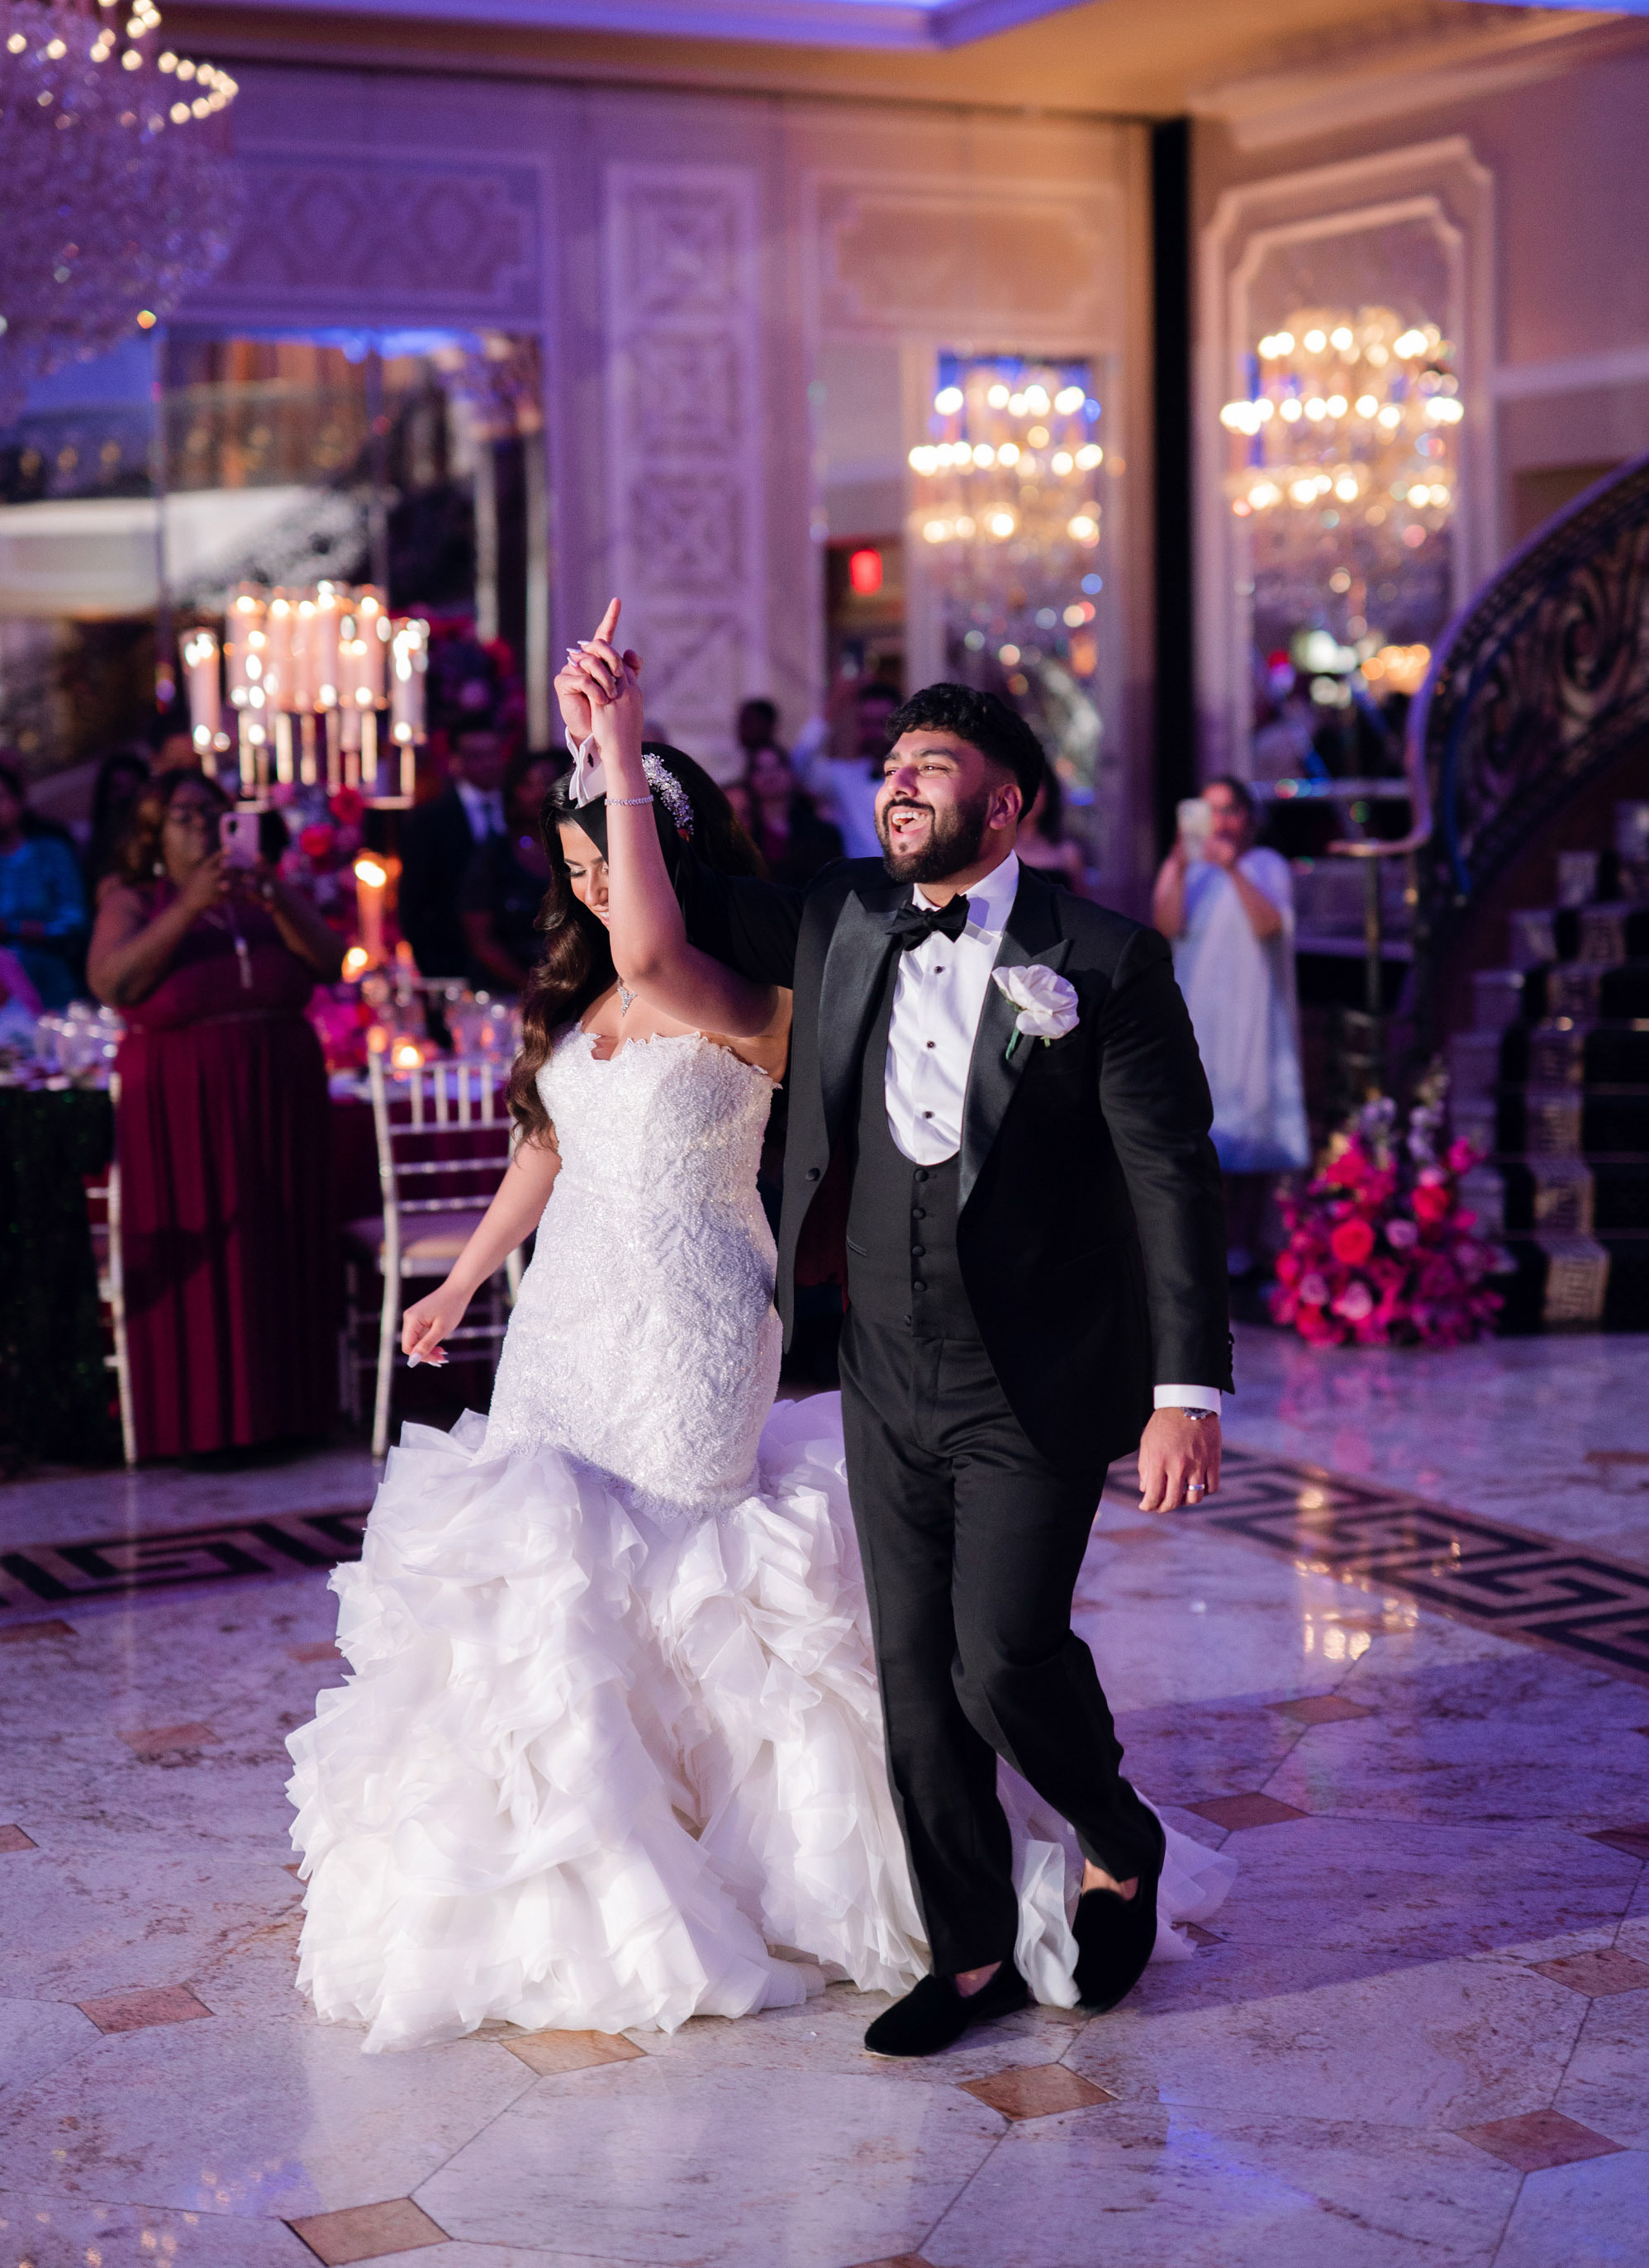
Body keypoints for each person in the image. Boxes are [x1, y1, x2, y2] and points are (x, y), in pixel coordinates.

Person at [284, 611, 1234, 2054]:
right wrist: (602, 733)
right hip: (855, 1362)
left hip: (1007, 1363)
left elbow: (1170, 1177)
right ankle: (965, 1954)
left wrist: (1186, 1390)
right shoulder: (842, 921)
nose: (900, 783)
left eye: (935, 765)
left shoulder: (1089, 962)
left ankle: (1116, 1831)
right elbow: (618, 995)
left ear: (1010, 800)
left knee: (1000, 1657)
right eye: (894, 763)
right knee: (915, 1685)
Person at [87, 770, 346, 1458]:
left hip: (278, 1084)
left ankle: (292, 1412)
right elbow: (114, 983)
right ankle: (200, 1426)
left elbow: (328, 961)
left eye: (214, 814)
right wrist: (189, 905)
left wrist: (276, 890)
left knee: (278, 1245)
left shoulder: (267, 896)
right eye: (183, 816)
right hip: (183, 1095)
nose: (203, 827)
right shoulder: (134, 900)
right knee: (211, 1250)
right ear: (152, 833)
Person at [1152, 775, 1309, 1277]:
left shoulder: (1267, 866)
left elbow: (1269, 925)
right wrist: (1178, 864)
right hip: (1200, 1011)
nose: (1220, 822)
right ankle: (1201, 1249)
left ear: (1248, 818)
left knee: (1252, 1123)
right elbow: (1165, 927)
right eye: (1210, 810)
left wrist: (1233, 869)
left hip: (1252, 1011)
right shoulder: (1189, 871)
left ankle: (1243, 1247)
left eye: (1230, 810)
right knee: (1203, 1129)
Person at [398, 724, 507, 981]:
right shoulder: (430, 819)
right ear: (456, 762)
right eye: (478, 756)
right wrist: (434, 968)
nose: (489, 764)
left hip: (517, 959)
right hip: (452, 963)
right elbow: (413, 901)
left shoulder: (523, 808)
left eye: (494, 754)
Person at [459, 746, 566, 991]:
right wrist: (529, 986)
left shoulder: (579, 851)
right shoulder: (493, 856)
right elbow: (480, 938)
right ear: (514, 792)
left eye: (548, 782)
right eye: (529, 784)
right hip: (506, 992)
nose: (540, 793)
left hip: (574, 986)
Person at [0, 757, 88, 1009]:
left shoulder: (51, 853)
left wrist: (13, 929)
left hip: (57, 992)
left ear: (18, 800)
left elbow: (74, 922)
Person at [792, 672, 901, 859]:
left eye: (882, 723)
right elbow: (798, 764)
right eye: (865, 723)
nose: (874, 732)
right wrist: (833, 706)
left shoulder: (921, 777)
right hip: (862, 883)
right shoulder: (843, 777)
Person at [743, 741, 844, 887]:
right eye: (760, 769)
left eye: (777, 766)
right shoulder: (745, 834)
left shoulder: (823, 834)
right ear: (750, 778)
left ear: (791, 774)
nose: (770, 776)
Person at [84, 749, 152, 910]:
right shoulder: (98, 854)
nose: (126, 799)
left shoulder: (161, 840)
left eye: (134, 789)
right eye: (118, 788)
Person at [1017, 767, 1086, 892]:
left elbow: (1082, 906)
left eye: (1036, 788)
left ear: (1049, 793)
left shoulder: (1067, 852)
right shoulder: (994, 851)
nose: (1029, 797)